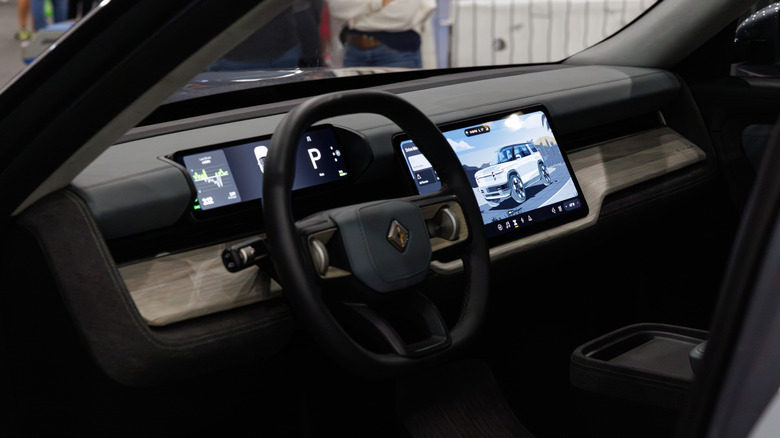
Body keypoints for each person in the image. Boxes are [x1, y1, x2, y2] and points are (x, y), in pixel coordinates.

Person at [327, 0, 435, 69]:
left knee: (400, 100)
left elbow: (400, 15)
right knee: (354, 103)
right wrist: (381, 3)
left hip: (398, 51)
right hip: (354, 50)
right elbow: (337, 7)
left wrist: (357, 13)